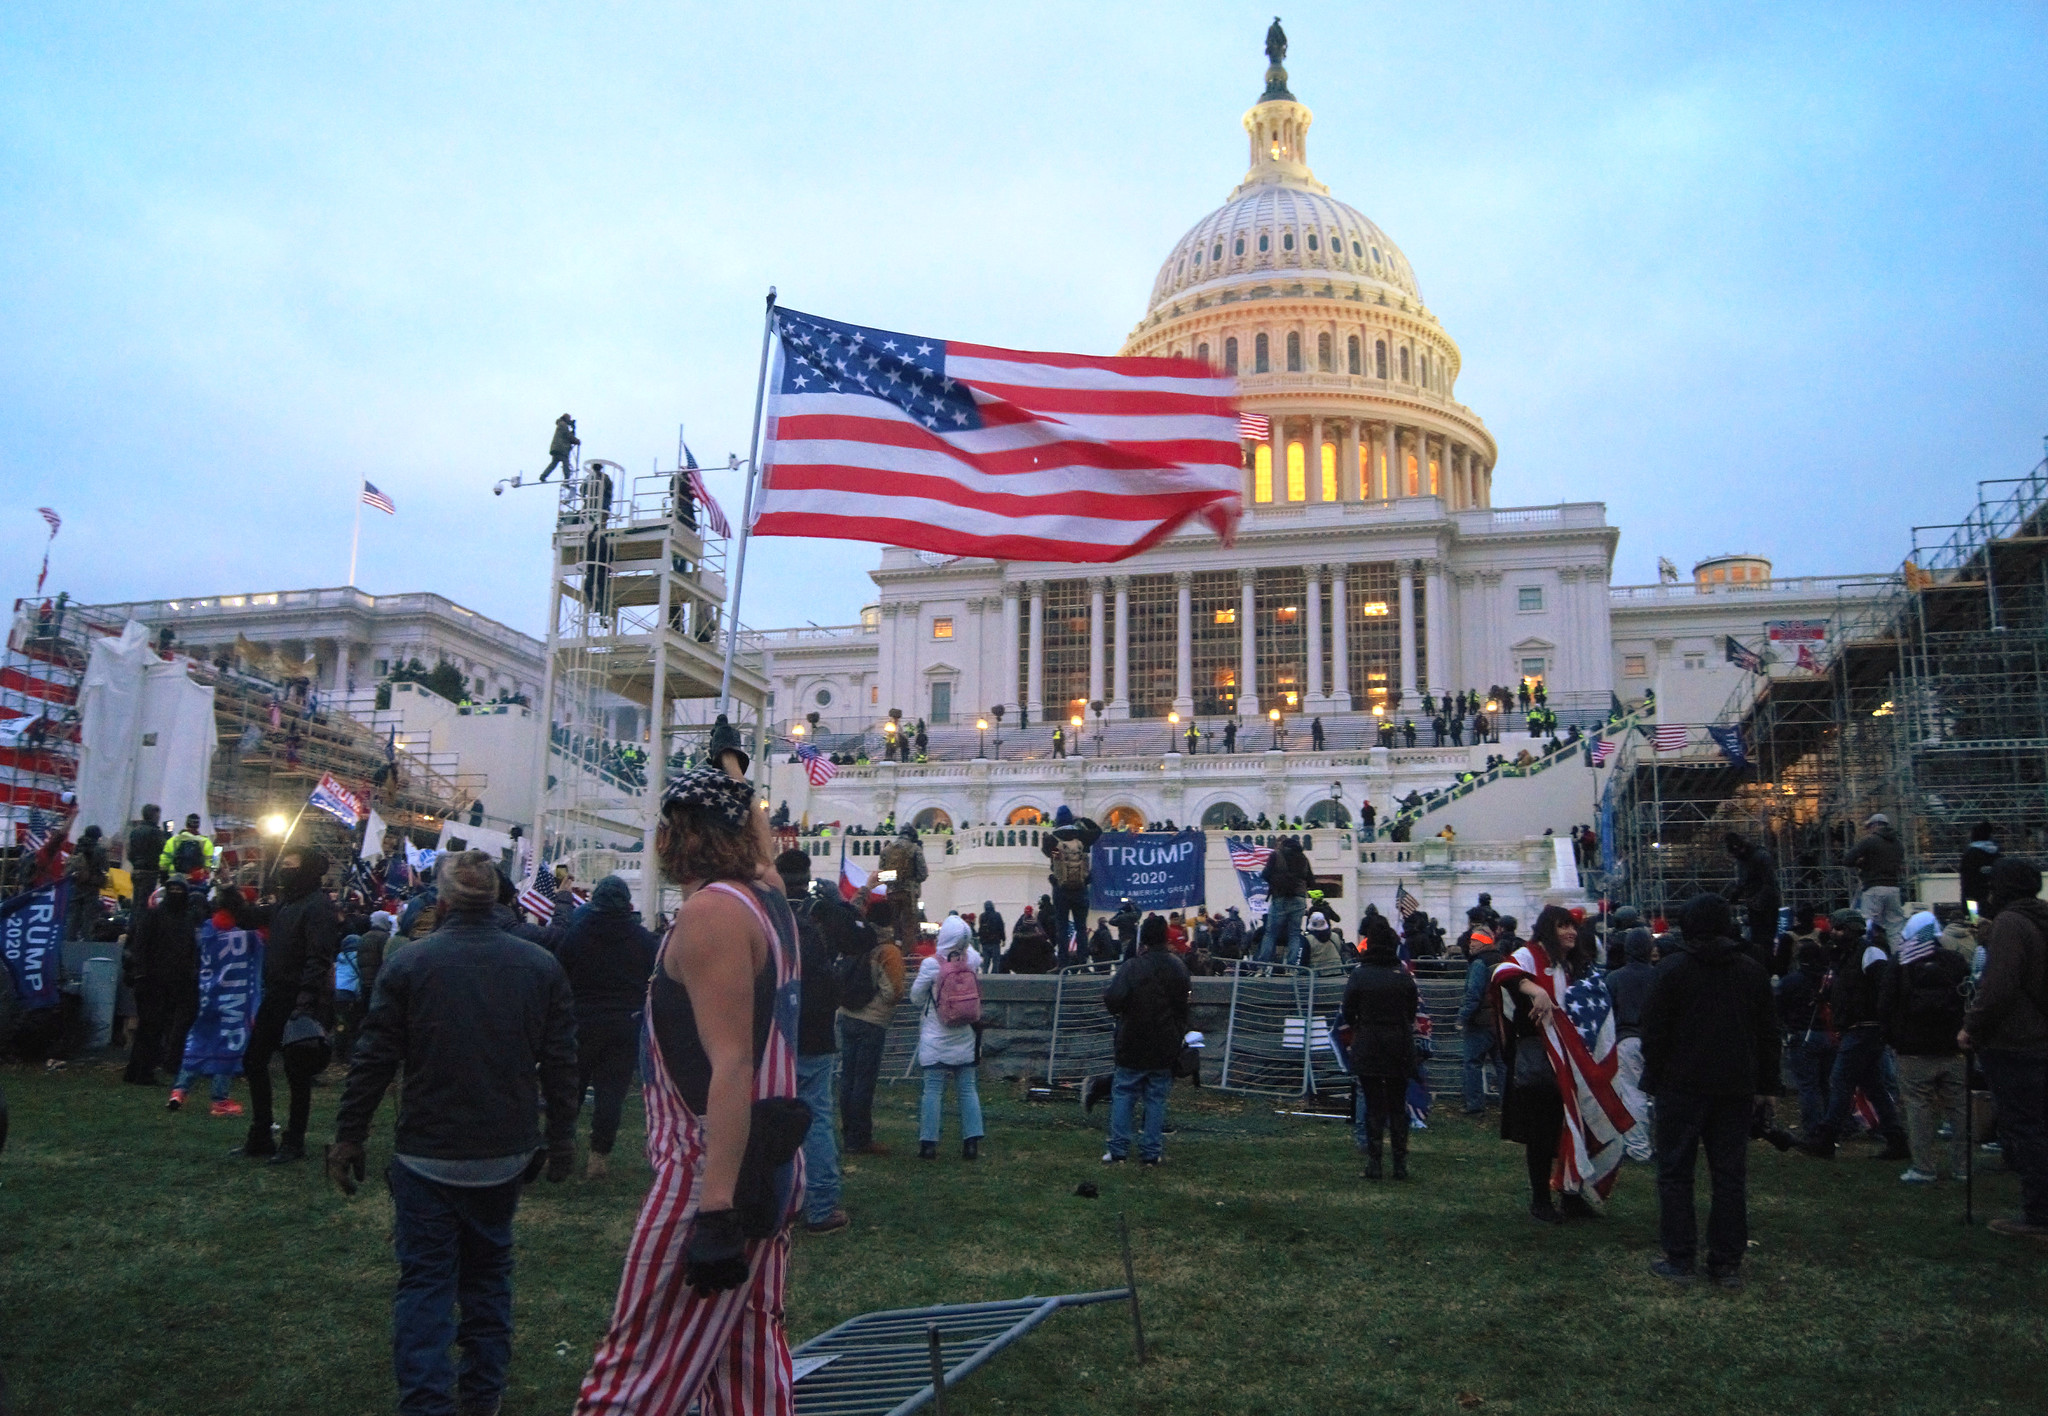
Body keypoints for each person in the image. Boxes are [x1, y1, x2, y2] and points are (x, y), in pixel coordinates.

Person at [574, 768, 806, 1413]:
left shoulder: (712, 913)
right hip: (771, 1157)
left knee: (633, 1379)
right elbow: (768, 865)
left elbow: (730, 1066)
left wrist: (715, 1211)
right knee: (747, 1364)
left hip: (709, 1167)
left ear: (679, 835)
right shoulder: (769, 900)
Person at [327, 851, 578, 1416]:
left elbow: (372, 1060)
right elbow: (562, 1062)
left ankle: (427, 1402)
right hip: (502, 1152)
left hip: (429, 1153)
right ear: (497, 900)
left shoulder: (412, 964)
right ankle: (481, 1397)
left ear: (440, 903)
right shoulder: (538, 967)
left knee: (426, 1287)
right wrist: (560, 1137)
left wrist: (350, 1136)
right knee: (488, 1280)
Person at [1639, 893, 1780, 1289]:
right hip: (1734, 1086)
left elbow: (1654, 1032)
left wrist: (1658, 1074)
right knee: (1729, 1175)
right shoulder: (1751, 972)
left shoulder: (1671, 971)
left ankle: (1680, 1257)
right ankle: (1726, 1262)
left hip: (1681, 1086)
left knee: (1675, 1173)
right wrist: (1766, 1086)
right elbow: (1769, 1034)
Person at [1492, 905, 1631, 1223]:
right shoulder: (1531, 956)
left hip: (1577, 1064)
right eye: (1562, 926)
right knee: (1542, 1134)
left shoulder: (1577, 964)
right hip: (1542, 1065)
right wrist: (1535, 988)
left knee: (1574, 1130)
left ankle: (1571, 1196)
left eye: (1573, 927)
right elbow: (1503, 974)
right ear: (1547, 929)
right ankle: (1541, 1201)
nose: (1570, 932)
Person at [1958, 857, 2048, 1239]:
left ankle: (2039, 1215)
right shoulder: (2037, 919)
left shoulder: (2011, 924)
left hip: (2016, 1042)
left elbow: (1998, 989)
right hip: (2041, 1039)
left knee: (2027, 1130)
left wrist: (1971, 1028)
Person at [236, 848, 337, 1165]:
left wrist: (306, 1001)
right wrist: (229, 894)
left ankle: (293, 1141)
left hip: (299, 997)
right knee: (254, 1060)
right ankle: (262, 1133)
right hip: (277, 994)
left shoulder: (317, 906)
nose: (285, 871)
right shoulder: (287, 903)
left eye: (292, 866)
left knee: (297, 1072)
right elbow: (252, 918)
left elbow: (318, 956)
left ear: (306, 870)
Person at [554, 874, 659, 1180]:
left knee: (570, 1089)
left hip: (581, 1021)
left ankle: (562, 1151)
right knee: (611, 1092)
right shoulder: (642, 939)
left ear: (595, 901)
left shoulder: (576, 934)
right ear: (628, 904)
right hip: (625, 1024)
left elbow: (560, 976)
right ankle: (598, 1157)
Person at [1797, 909, 1909, 1161]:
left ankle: (1826, 1139)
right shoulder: (1846, 957)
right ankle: (1896, 1139)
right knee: (1875, 1088)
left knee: (1841, 1080)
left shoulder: (1870, 953)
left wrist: (1882, 1022)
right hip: (1858, 1028)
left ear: (1854, 928)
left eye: (1839, 928)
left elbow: (1884, 988)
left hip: (1865, 1028)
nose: (1834, 933)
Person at [777, 850, 848, 1235]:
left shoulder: (769, 919)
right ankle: (820, 1204)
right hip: (816, 1035)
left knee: (772, 1116)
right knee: (816, 1118)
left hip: (777, 1034)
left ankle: (777, 1202)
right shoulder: (820, 921)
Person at [1881, 911, 1971, 1183]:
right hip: (1953, 1047)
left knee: (1918, 1108)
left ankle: (1924, 1166)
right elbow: (1969, 999)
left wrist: (1894, 1040)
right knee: (1959, 1108)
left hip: (1913, 1050)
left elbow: (1886, 1005)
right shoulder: (1955, 961)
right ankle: (1963, 1166)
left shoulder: (1901, 962)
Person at [1101, 914, 1191, 1166]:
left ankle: (1118, 1149)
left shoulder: (1132, 967)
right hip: (1164, 1043)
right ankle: (1151, 1152)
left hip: (1132, 1041)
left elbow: (1113, 1000)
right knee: (1156, 1098)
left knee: (1123, 1093)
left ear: (1143, 939)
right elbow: (1184, 1006)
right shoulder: (1178, 967)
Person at [1343, 927, 1420, 1179]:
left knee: (1374, 1105)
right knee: (1398, 1106)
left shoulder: (1360, 975)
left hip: (1369, 1042)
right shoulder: (1403, 976)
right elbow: (1411, 1012)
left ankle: (1374, 1162)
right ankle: (1400, 1164)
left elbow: (1347, 1011)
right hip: (1399, 1043)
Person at [832, 890, 903, 1158]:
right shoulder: (887, 951)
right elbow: (893, 991)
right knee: (864, 1080)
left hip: (847, 1016)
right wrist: (877, 1007)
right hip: (871, 1022)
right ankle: (860, 1139)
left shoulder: (855, 942)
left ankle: (848, 1134)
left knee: (847, 1078)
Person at [909, 917, 984, 1160]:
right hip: (964, 1035)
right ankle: (971, 1142)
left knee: (932, 1090)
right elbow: (971, 950)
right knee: (967, 1090)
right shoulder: (971, 960)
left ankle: (928, 1144)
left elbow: (916, 997)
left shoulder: (932, 965)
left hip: (936, 1035)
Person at [124, 875, 200, 1086]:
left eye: (179, 890)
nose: (176, 893)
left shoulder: (180, 919)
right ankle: (143, 1072)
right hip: (153, 981)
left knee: (149, 1028)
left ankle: (136, 1071)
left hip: (168, 982)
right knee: (152, 1028)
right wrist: (141, 974)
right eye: (173, 889)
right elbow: (141, 947)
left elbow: (188, 952)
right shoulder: (159, 917)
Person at [1607, 927, 1659, 1163]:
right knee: (1662, 1096)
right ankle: (1666, 1145)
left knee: (1633, 1094)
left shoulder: (1615, 978)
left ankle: (1638, 1148)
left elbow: (1608, 1013)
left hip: (1627, 1039)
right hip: (1658, 1039)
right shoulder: (1660, 975)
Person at [1776, 938, 1836, 1134]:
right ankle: (1832, 1124)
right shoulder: (1829, 981)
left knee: (1808, 1086)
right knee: (1827, 1083)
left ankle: (1812, 1128)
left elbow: (1779, 1008)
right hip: (1828, 1035)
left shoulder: (1790, 981)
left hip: (1802, 1035)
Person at [1040, 805, 1102, 962]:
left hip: (1061, 889)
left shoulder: (1052, 839)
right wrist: (1081, 819)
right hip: (1081, 888)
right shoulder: (1082, 837)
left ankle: (1063, 962)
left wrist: (1057, 852)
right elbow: (1097, 831)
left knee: (1062, 927)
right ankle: (1082, 962)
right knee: (1081, 928)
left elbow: (1050, 854)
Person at [1454, 920, 1503, 1116]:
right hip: (1499, 1021)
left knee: (1472, 1063)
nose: (1471, 944)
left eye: (1475, 940)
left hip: (1480, 1022)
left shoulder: (1479, 964)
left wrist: (1462, 1018)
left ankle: (1475, 1105)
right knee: (1502, 1065)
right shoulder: (1502, 960)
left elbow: (1473, 994)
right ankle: (1508, 1105)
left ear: (1484, 942)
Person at [1844, 812, 1907, 941]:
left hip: (1873, 888)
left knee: (1868, 924)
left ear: (1875, 825)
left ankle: (1869, 954)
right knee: (1895, 927)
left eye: (1869, 827)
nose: (1868, 830)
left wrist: (1861, 862)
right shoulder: (1898, 844)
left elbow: (1848, 860)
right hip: (1893, 889)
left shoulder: (1869, 841)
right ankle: (1897, 957)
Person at [1721, 833, 1781, 964]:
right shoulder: (1744, 859)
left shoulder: (1761, 856)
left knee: (1765, 939)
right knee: (1757, 938)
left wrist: (1757, 901)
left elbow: (1769, 883)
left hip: (1767, 905)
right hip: (1755, 903)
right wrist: (1732, 898)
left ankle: (1766, 965)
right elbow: (1743, 882)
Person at [1258, 837, 1311, 966]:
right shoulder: (1303, 858)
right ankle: (1292, 966)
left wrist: (1275, 883)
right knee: (1294, 933)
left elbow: (1265, 874)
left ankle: (1263, 964)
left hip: (1280, 897)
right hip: (1299, 898)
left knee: (1271, 933)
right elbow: (1310, 879)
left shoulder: (1276, 855)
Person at [880, 825, 927, 958]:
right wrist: (910, 879)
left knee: (892, 924)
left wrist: (894, 880)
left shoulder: (887, 849)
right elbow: (923, 874)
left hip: (891, 892)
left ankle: (892, 953)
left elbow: (882, 873)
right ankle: (907, 957)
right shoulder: (915, 848)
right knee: (909, 925)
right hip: (908, 893)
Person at [62, 826, 108, 942]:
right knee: (89, 919)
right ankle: (86, 945)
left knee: (73, 917)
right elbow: (105, 868)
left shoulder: (78, 847)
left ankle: (69, 943)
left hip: (77, 884)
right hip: (92, 887)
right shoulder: (99, 850)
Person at [126, 804, 167, 913]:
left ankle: (132, 927)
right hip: (150, 871)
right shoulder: (156, 832)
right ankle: (140, 928)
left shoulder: (135, 831)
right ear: (154, 816)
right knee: (144, 905)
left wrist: (135, 863)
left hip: (136, 870)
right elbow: (162, 850)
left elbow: (130, 852)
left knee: (135, 902)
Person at [1959, 821, 2001, 917]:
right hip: (1994, 903)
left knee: (1975, 927)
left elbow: (1966, 885)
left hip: (1973, 901)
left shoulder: (1970, 855)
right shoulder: (1997, 854)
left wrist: (1967, 911)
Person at [159, 813, 217, 881]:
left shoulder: (173, 840)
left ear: (186, 824)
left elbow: (164, 862)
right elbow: (213, 865)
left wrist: (164, 876)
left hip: (176, 880)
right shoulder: (206, 842)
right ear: (198, 826)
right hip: (197, 881)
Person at [1006, 907, 1056, 975]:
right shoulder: (1040, 941)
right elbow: (1051, 953)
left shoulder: (1017, 941)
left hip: (1021, 971)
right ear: (1034, 927)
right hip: (1038, 971)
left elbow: (1009, 958)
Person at [539, 412, 580, 481]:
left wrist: (573, 429)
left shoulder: (561, 425)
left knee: (553, 464)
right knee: (565, 465)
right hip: (561, 449)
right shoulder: (563, 425)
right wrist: (576, 440)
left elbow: (569, 436)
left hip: (557, 448)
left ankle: (543, 476)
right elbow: (568, 436)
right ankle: (567, 480)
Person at [976, 899, 1006, 972]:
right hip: (995, 942)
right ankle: (994, 979)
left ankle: (984, 978)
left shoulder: (982, 916)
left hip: (985, 942)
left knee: (986, 962)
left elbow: (980, 929)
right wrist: (1003, 939)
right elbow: (1001, 927)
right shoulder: (997, 915)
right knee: (996, 962)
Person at [1108, 897, 1141, 962]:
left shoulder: (1120, 918)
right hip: (1133, 938)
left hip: (1124, 939)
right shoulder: (1133, 916)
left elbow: (1110, 921)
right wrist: (1133, 904)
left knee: (1127, 958)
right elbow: (1139, 912)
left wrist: (1119, 913)